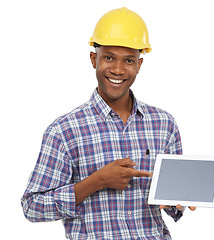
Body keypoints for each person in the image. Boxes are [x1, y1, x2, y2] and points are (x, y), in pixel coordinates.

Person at [21, 7, 195, 239]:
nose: (118, 70)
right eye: (109, 57)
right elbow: (32, 207)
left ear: (139, 65)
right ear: (94, 59)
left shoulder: (164, 124)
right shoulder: (64, 131)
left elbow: (173, 205)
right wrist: (96, 181)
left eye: (129, 60)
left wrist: (179, 202)